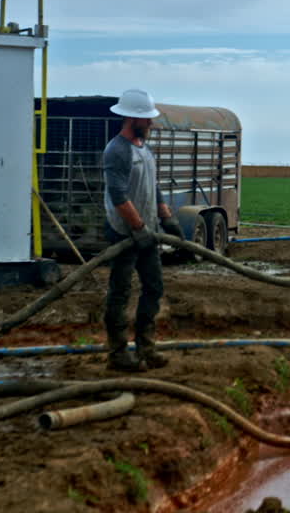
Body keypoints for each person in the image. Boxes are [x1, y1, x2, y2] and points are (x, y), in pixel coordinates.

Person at [101, 89, 183, 372]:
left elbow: (153, 185)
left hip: (146, 230)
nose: (151, 124)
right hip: (125, 232)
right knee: (120, 293)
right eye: (146, 120)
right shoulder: (117, 151)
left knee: (154, 287)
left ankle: (146, 349)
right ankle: (118, 354)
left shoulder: (144, 148)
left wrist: (166, 217)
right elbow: (118, 196)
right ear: (130, 118)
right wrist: (138, 227)